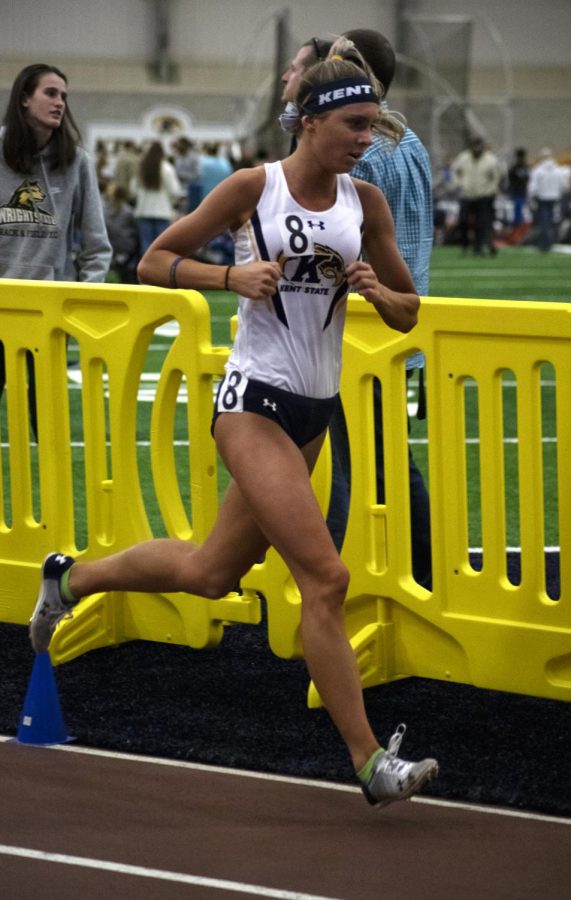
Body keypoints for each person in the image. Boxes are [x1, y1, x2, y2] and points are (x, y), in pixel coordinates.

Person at [29, 55, 438, 809]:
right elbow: (153, 261)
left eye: (371, 127)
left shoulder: (366, 202)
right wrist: (227, 279)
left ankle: (68, 579)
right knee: (326, 577)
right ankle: (369, 761)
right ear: (310, 120)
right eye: (352, 125)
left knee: (211, 573)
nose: (362, 140)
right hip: (252, 404)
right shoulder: (254, 187)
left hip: (314, 412)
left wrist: (380, 291)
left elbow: (409, 311)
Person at [284, 30, 433, 587]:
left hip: (359, 326)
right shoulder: (409, 140)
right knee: (389, 460)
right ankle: (419, 570)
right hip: (398, 321)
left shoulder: (358, 144)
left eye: (333, 63)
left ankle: (351, 583)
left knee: (359, 467)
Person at [0, 63, 112, 434]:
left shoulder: (77, 161)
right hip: (2, 303)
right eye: (50, 93)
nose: (60, 102)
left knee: (49, 422)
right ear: (24, 100)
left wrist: (82, 299)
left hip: (50, 312)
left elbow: (97, 244)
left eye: (64, 96)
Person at [452, 136, 500, 256]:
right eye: (475, 146)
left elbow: (495, 177)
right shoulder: (463, 157)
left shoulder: (490, 159)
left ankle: (477, 248)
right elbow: (455, 171)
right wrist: (458, 184)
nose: (477, 149)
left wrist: (490, 190)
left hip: (482, 196)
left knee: (481, 223)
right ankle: (465, 245)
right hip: (466, 195)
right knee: (462, 220)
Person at [131, 140, 181, 254]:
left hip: (143, 211)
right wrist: (172, 202)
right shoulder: (167, 168)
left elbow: (133, 189)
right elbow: (175, 190)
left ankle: (145, 272)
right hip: (162, 212)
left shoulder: (142, 167)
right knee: (162, 248)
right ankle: (160, 272)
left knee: (146, 246)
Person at [527, 147, 568, 252]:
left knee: (544, 222)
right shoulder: (558, 170)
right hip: (555, 198)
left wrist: (531, 197)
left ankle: (544, 244)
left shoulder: (538, 170)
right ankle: (550, 242)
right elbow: (564, 185)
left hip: (542, 198)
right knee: (552, 221)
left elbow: (533, 187)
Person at [506, 147, 530, 229]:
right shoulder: (515, 168)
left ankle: (519, 226)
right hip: (516, 192)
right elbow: (511, 179)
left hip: (521, 191)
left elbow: (527, 179)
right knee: (517, 209)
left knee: (520, 210)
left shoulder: (525, 167)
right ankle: (517, 226)